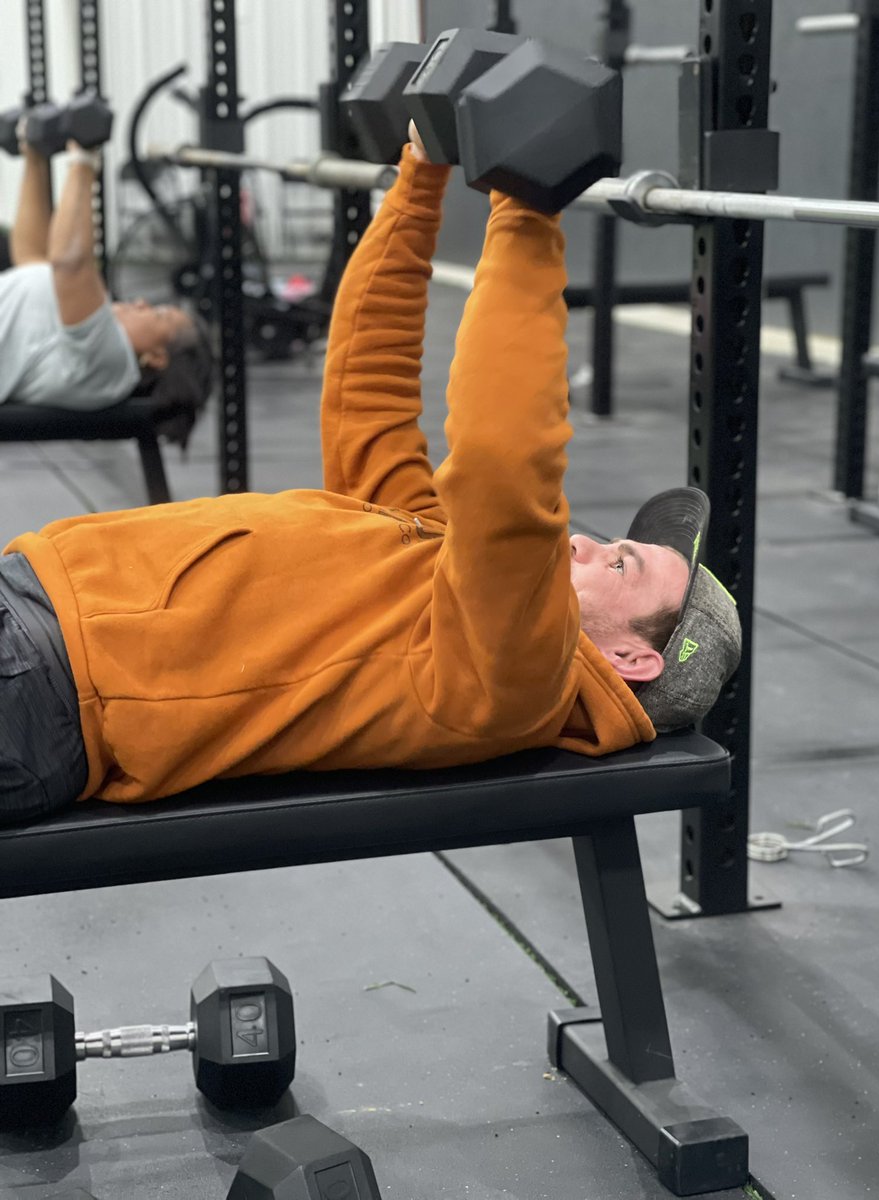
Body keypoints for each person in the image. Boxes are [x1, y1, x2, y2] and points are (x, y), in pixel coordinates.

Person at [0, 125, 741, 824]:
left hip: (46, 680)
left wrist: (526, 204)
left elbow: (503, 458)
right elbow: (366, 389)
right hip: (34, 608)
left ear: (631, 657)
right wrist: (420, 180)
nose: (584, 542)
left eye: (621, 562)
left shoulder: (516, 678)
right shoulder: (441, 573)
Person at [0, 132, 213, 446]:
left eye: (157, 314)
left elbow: (71, 262)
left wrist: (84, 160)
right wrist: (34, 153)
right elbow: (32, 257)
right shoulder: (86, 337)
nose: (141, 303)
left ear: (156, 357)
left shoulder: (110, 363)